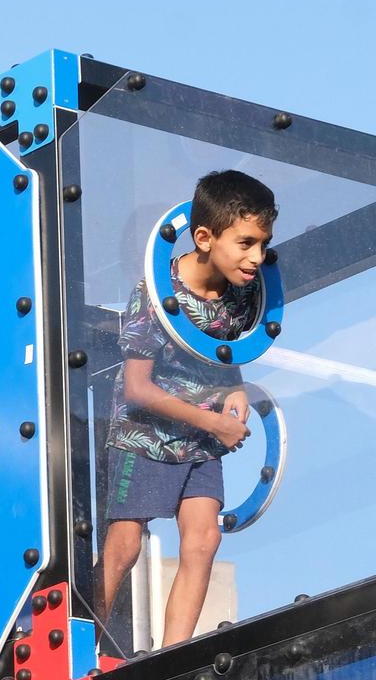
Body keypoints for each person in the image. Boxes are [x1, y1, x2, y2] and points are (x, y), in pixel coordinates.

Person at [97, 169, 277, 648]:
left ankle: (170, 655)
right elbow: (137, 388)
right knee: (125, 543)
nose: (257, 257)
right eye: (245, 243)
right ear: (204, 237)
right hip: (146, 432)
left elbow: (224, 355)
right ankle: (86, 642)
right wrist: (213, 420)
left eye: (263, 244)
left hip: (202, 437)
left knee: (203, 541)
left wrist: (235, 388)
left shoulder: (241, 295)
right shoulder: (155, 294)